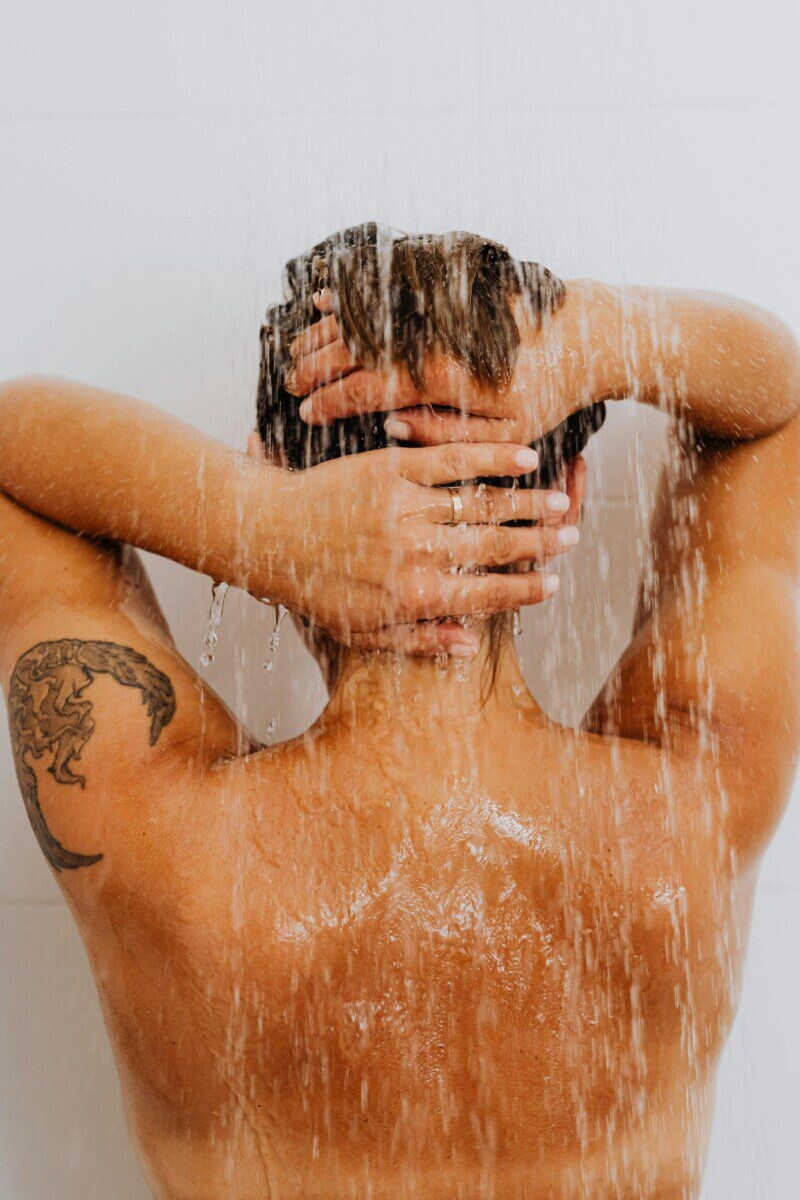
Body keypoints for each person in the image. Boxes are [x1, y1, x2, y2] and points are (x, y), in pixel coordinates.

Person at [0, 227, 797, 1200]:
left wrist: (248, 521)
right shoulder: (690, 804)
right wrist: (599, 334)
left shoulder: (167, 847)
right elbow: (773, 412)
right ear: (569, 495)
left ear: (268, 475)